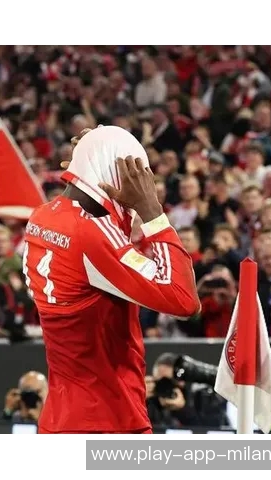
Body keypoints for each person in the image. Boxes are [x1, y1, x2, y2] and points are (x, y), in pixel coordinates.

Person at [23, 126, 200, 434]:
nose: (142, 186)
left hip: (60, 419)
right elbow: (184, 300)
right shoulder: (91, 235)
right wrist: (151, 212)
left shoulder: (42, 216)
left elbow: (105, 223)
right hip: (109, 420)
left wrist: (93, 153)